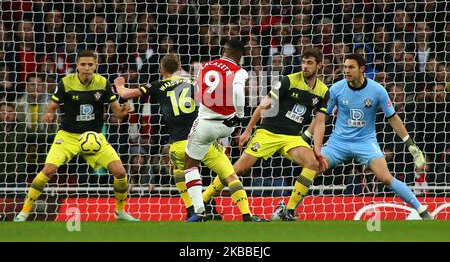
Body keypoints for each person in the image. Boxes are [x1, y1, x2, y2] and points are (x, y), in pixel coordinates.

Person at [298, 53, 433, 220]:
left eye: (351, 67)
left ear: (361, 69)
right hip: (338, 142)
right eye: (345, 67)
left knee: (385, 177)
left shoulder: (377, 90)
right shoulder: (336, 89)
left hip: (365, 142)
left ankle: (423, 211)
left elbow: (393, 118)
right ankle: (289, 208)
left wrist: (411, 145)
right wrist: (305, 136)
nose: (346, 70)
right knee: (311, 167)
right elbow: (321, 117)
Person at [202, 47, 329, 221]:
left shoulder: (323, 91)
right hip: (268, 132)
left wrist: (317, 149)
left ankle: (289, 210)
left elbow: (320, 122)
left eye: (310, 63)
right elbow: (264, 105)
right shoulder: (288, 81)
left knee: (312, 163)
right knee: (239, 169)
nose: (305, 66)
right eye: (303, 62)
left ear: (319, 66)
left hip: (292, 137)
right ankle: (203, 199)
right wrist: (247, 130)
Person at [14, 50, 139, 222]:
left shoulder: (103, 82)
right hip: (67, 136)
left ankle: (120, 212)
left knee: (120, 172)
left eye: (90, 65)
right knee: (48, 170)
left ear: (95, 66)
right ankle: (24, 212)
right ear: (77, 66)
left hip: (94, 137)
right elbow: (52, 105)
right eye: (83, 64)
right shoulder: (66, 82)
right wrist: (49, 113)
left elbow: (117, 113)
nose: (86, 68)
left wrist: (124, 112)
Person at [114, 53, 239, 220]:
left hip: (178, 139)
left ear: (161, 69)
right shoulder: (195, 82)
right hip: (202, 135)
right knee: (220, 173)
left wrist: (119, 84)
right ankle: (210, 206)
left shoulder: (157, 85)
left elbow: (126, 93)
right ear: (179, 68)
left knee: (180, 171)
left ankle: (192, 208)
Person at [183, 38, 265, 222]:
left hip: (205, 123)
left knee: (190, 164)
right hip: (227, 126)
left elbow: (197, 91)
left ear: (224, 51)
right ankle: (246, 213)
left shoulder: (204, 67)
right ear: (240, 56)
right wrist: (240, 116)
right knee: (227, 170)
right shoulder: (239, 71)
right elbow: (237, 92)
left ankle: (199, 210)